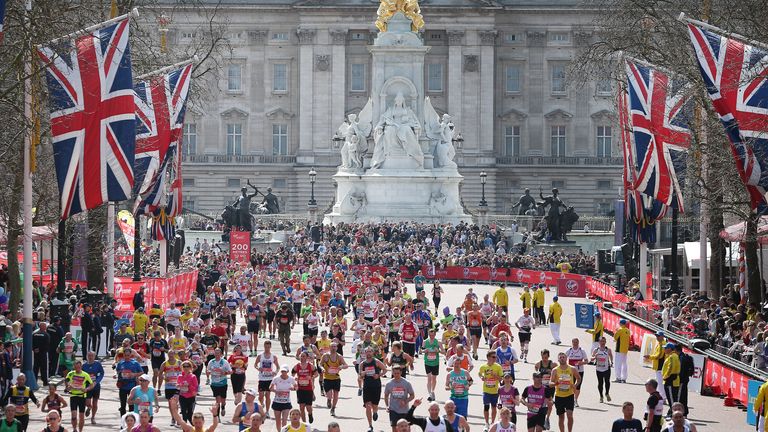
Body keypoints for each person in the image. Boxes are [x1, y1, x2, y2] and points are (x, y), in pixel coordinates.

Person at [359, 346, 387, 432]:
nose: (368, 353)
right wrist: (362, 374)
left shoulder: (376, 362)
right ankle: (370, 426)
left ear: (372, 352)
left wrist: (378, 375)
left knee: (375, 405)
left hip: (376, 386)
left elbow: (385, 370)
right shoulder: (362, 364)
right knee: (368, 406)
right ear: (364, 353)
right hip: (367, 386)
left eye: (370, 351)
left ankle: (375, 412)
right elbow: (360, 376)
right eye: (367, 352)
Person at [550, 353, 579, 432]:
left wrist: (575, 385)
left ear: (566, 358)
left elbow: (579, 378)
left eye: (563, 357)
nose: (562, 359)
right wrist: (556, 383)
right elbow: (550, 383)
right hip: (559, 396)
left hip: (569, 395)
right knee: (561, 417)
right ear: (558, 360)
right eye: (560, 357)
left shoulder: (572, 368)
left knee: (569, 415)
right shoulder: (555, 370)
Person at [384, 365, 415, 432]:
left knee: (406, 429)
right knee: (394, 428)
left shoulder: (406, 383)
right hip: (393, 410)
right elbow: (386, 396)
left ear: (401, 373)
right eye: (395, 373)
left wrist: (405, 401)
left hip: (404, 410)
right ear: (392, 373)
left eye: (398, 373)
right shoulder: (389, 384)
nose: (396, 375)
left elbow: (412, 395)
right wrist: (387, 406)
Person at [320, 342, 348, 416]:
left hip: (336, 378)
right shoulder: (325, 356)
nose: (333, 348)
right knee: (329, 394)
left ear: (337, 348)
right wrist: (322, 368)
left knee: (336, 395)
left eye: (335, 346)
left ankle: (333, 408)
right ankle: (329, 400)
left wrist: (341, 367)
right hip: (327, 378)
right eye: (332, 346)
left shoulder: (339, 357)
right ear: (329, 347)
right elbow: (320, 364)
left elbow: (346, 365)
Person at [65, 362, 93, 432]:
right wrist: (68, 386)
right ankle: (74, 429)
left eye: (79, 367)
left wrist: (86, 389)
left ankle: (80, 430)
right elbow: (66, 380)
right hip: (73, 396)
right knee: (74, 416)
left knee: (81, 417)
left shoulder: (85, 374)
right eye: (76, 367)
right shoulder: (71, 373)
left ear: (81, 367)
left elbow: (91, 384)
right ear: (74, 367)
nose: (77, 369)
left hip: (82, 396)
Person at [479, 350, 503, 429]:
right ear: (488, 357)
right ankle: (486, 423)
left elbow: (501, 379)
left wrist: (496, 376)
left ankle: (492, 422)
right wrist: (482, 377)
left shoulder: (498, 367)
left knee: (493, 407)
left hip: (495, 391)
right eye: (493, 357)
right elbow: (480, 373)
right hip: (486, 390)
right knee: (486, 407)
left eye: (495, 357)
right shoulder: (483, 367)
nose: (495, 358)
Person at [292, 351, 318, 424]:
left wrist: (311, 377)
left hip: (308, 389)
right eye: (301, 356)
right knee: (301, 407)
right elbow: (292, 374)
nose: (302, 358)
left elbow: (317, 374)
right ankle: (304, 424)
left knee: (308, 407)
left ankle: (310, 414)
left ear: (307, 357)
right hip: (300, 389)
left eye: (303, 356)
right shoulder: (297, 366)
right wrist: (295, 378)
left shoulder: (311, 366)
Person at [255, 340, 279, 417]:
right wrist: (258, 368)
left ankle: (267, 411)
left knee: (267, 395)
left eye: (268, 347)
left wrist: (275, 372)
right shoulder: (260, 356)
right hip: (262, 378)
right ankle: (262, 404)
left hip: (269, 378)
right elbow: (255, 364)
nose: (267, 348)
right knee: (261, 396)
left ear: (270, 347)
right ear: (264, 346)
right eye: (266, 347)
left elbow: (278, 367)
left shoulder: (273, 356)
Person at [270, 365, 297, 432]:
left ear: (287, 371)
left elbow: (296, 387)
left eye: (284, 371)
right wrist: (277, 392)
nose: (283, 373)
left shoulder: (291, 379)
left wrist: (293, 388)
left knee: (284, 420)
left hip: (286, 402)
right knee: (278, 420)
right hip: (277, 402)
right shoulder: (276, 378)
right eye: (282, 371)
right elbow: (270, 388)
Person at [206, 348, 232, 417]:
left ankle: (223, 407)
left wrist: (224, 373)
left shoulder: (224, 362)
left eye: (218, 353)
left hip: (223, 383)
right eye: (216, 353)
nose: (217, 354)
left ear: (221, 354)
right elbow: (207, 370)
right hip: (214, 383)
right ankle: (217, 416)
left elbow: (230, 371)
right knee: (217, 400)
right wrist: (208, 374)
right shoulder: (211, 362)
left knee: (223, 400)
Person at [81, 351, 104, 425]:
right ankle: (89, 408)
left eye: (92, 356)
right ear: (87, 356)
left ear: (94, 356)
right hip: (87, 387)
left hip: (96, 386)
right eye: (89, 356)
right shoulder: (84, 366)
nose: (90, 357)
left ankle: (93, 417)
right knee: (87, 402)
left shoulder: (97, 364)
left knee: (95, 403)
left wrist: (96, 382)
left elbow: (101, 373)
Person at [564, 339, 587, 407]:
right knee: (570, 385)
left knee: (578, 386)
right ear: (572, 343)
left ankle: (575, 400)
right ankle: (570, 400)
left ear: (578, 343)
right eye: (574, 342)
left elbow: (586, 361)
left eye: (576, 342)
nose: (575, 344)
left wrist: (581, 362)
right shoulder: (569, 350)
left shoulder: (582, 350)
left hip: (580, 371)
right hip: (571, 371)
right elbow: (563, 358)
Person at [591, 337, 613, 403]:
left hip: (607, 368)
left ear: (605, 342)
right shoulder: (596, 350)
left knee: (607, 381)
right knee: (600, 383)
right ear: (599, 342)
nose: (602, 343)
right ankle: (601, 396)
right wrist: (595, 357)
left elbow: (611, 356)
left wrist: (611, 362)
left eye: (604, 341)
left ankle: (607, 393)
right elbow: (591, 359)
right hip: (599, 368)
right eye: (601, 341)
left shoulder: (608, 350)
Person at [661, 343, 680, 413]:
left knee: (671, 398)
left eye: (665, 348)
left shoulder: (672, 356)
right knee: (671, 398)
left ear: (669, 349)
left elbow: (670, 368)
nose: (664, 349)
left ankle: (673, 413)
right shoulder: (672, 356)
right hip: (672, 379)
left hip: (671, 380)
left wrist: (665, 376)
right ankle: (671, 412)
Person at [675, 344, 694, 416]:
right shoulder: (683, 357)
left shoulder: (682, 358)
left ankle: (681, 412)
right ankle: (684, 412)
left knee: (680, 397)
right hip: (684, 380)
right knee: (683, 396)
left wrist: (678, 379)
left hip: (682, 380)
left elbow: (681, 370)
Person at [33, 322, 50, 387]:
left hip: (35, 354)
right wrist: (40, 349)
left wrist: (35, 349)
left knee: (35, 368)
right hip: (43, 354)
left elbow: (32, 342)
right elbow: (47, 345)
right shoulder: (46, 335)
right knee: (44, 368)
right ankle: (45, 382)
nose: (46, 327)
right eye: (45, 326)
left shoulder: (34, 334)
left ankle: (34, 381)